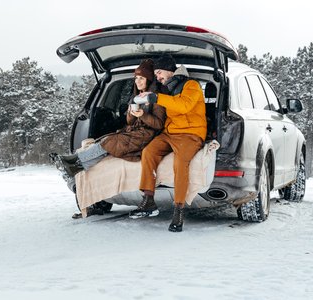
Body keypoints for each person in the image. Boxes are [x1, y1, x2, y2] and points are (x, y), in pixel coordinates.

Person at [129, 55, 207, 233]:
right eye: (155, 74)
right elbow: (162, 110)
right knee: (148, 152)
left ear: (169, 70)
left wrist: (156, 98)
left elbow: (184, 105)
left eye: (159, 73)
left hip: (191, 134)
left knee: (180, 162)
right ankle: (148, 199)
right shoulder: (165, 89)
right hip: (170, 133)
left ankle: (179, 209)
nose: (157, 77)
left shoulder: (191, 85)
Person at [52, 59, 167, 179]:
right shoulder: (135, 97)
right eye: (136, 78)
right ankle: (75, 168)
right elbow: (130, 122)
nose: (137, 81)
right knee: (108, 142)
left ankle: (73, 159)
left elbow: (159, 124)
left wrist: (143, 114)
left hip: (147, 135)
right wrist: (131, 113)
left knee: (110, 142)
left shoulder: (156, 98)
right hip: (134, 132)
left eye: (141, 78)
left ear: (149, 80)